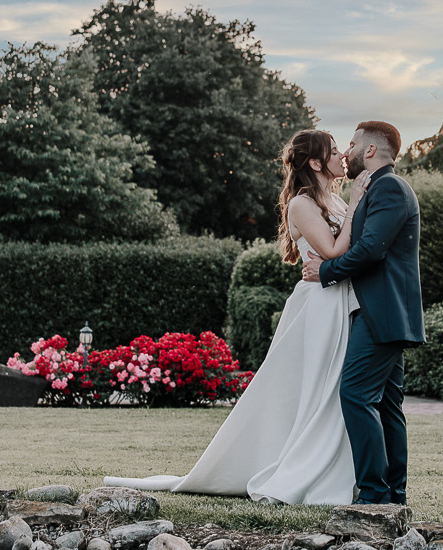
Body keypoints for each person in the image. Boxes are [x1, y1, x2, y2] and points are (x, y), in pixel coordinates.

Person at [103, 129, 359, 504]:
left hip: (340, 300)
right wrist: (358, 204)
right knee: (317, 389)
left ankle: (335, 470)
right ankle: (300, 471)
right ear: (316, 163)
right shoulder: (302, 205)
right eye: (334, 151)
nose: (342, 156)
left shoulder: (335, 200)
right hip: (320, 305)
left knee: (337, 390)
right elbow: (334, 250)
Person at [302, 120, 423, 505]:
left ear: (370, 150)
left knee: (355, 394)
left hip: (380, 311)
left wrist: (325, 270)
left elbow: (371, 249)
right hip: (384, 312)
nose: (347, 152)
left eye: (352, 145)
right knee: (386, 403)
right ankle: (393, 496)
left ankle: (373, 494)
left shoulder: (389, 187)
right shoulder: (379, 188)